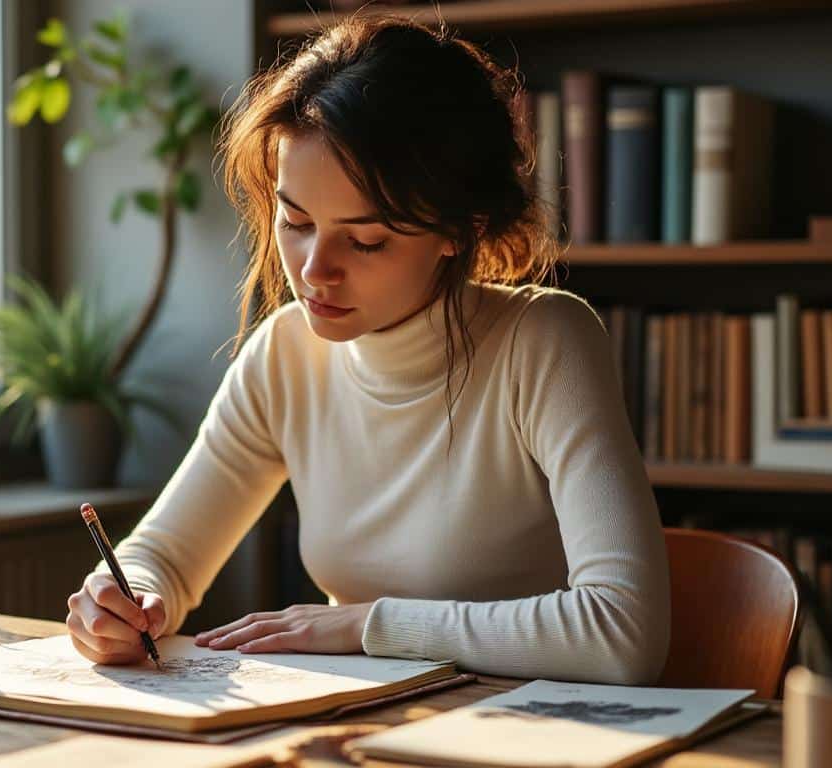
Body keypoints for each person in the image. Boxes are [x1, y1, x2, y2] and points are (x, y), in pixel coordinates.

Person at [65, 15, 670, 685]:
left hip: (530, 735)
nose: (313, 269)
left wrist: (362, 624)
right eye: (295, 222)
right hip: (361, 730)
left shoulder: (545, 343)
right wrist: (120, 599)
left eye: (365, 240)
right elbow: (165, 557)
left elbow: (624, 630)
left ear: (459, 230)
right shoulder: (286, 355)